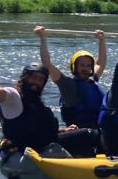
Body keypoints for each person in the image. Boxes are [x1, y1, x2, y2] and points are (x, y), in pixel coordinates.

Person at [35, 25, 106, 156]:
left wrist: (101, 41)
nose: (85, 69)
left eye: (88, 66)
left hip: (97, 132)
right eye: (81, 65)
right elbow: (47, 63)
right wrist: (43, 38)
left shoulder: (93, 80)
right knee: (92, 135)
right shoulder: (67, 84)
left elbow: (101, 63)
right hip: (79, 134)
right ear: (74, 67)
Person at [0, 59, 66, 156]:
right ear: (24, 77)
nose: (37, 82)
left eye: (40, 80)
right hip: (23, 149)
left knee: (81, 132)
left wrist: (62, 130)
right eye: (34, 78)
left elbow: (40, 129)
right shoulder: (13, 96)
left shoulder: (36, 102)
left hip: (42, 145)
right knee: (86, 134)